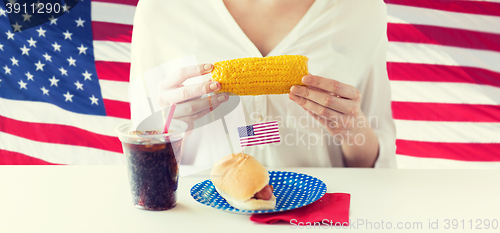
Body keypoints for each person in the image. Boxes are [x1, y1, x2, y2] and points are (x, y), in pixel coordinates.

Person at [129, 0, 396, 168]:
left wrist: (352, 130)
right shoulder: (160, 9)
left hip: (318, 215)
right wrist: (167, 130)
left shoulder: (363, 9)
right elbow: (143, 163)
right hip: (203, 215)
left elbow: (377, 165)